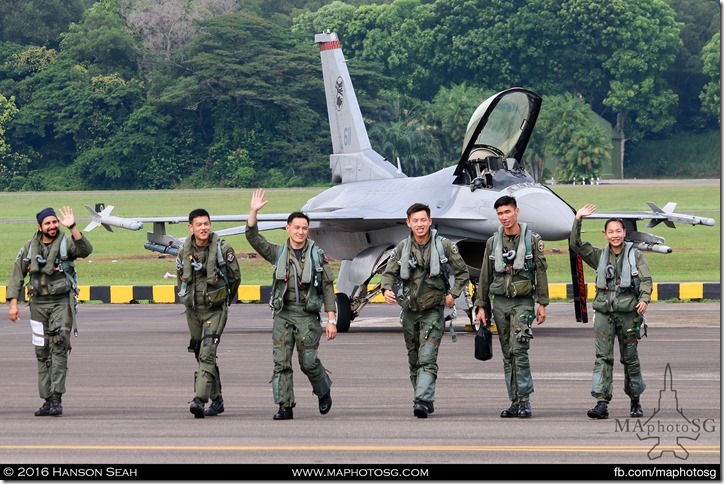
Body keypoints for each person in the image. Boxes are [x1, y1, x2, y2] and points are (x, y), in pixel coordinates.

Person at [246, 188, 337, 420]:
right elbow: (254, 238)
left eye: (304, 228)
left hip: (307, 316)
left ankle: (323, 389)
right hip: (283, 314)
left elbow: (327, 287)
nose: (300, 231)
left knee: (308, 362)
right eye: (296, 227)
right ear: (288, 228)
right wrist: (253, 212)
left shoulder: (317, 255)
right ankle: (284, 406)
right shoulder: (278, 253)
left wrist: (331, 320)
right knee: (281, 363)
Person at [380, 203, 470, 418]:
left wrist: (453, 295)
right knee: (414, 359)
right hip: (410, 311)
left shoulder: (444, 246)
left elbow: (462, 273)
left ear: (430, 221)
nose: (420, 224)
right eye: (415, 221)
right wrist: (385, 290)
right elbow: (389, 273)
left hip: (433, 311)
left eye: (423, 220)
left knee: (427, 358)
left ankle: (422, 400)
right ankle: (421, 399)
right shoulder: (402, 248)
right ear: (408, 223)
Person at [7, 206, 93, 417]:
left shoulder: (66, 244)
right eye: (48, 223)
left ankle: (57, 397)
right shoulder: (29, 248)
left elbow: (85, 250)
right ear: (40, 227)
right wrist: (13, 304)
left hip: (61, 302)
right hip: (37, 305)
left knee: (59, 346)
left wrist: (72, 226)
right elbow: (17, 276)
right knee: (41, 351)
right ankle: (46, 399)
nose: (53, 226)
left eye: (55, 222)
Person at [570, 203, 652, 420]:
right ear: (605, 234)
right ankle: (601, 403)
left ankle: (635, 401)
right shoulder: (598, 256)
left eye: (618, 231)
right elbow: (576, 244)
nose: (615, 235)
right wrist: (578, 220)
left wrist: (644, 299)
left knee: (630, 358)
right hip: (604, 313)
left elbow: (645, 280)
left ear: (624, 232)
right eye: (610, 232)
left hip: (628, 314)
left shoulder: (636, 256)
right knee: (602, 358)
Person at [474, 195, 549, 419]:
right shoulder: (492, 242)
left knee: (520, 350)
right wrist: (481, 307)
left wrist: (542, 304)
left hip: (523, 302)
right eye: (500, 214)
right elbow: (485, 277)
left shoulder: (532, 240)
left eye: (508, 212)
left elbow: (541, 272)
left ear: (517, 211)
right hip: (500, 304)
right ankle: (514, 401)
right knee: (507, 353)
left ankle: (525, 400)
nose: (504, 217)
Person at [176, 208, 241, 418]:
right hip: (194, 310)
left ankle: (199, 400)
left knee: (206, 353)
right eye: (199, 224)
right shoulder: (183, 251)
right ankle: (218, 400)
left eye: (206, 224)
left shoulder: (223, 249)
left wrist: (222, 297)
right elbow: (181, 277)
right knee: (201, 353)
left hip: (215, 309)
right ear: (191, 227)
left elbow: (235, 277)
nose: (203, 228)